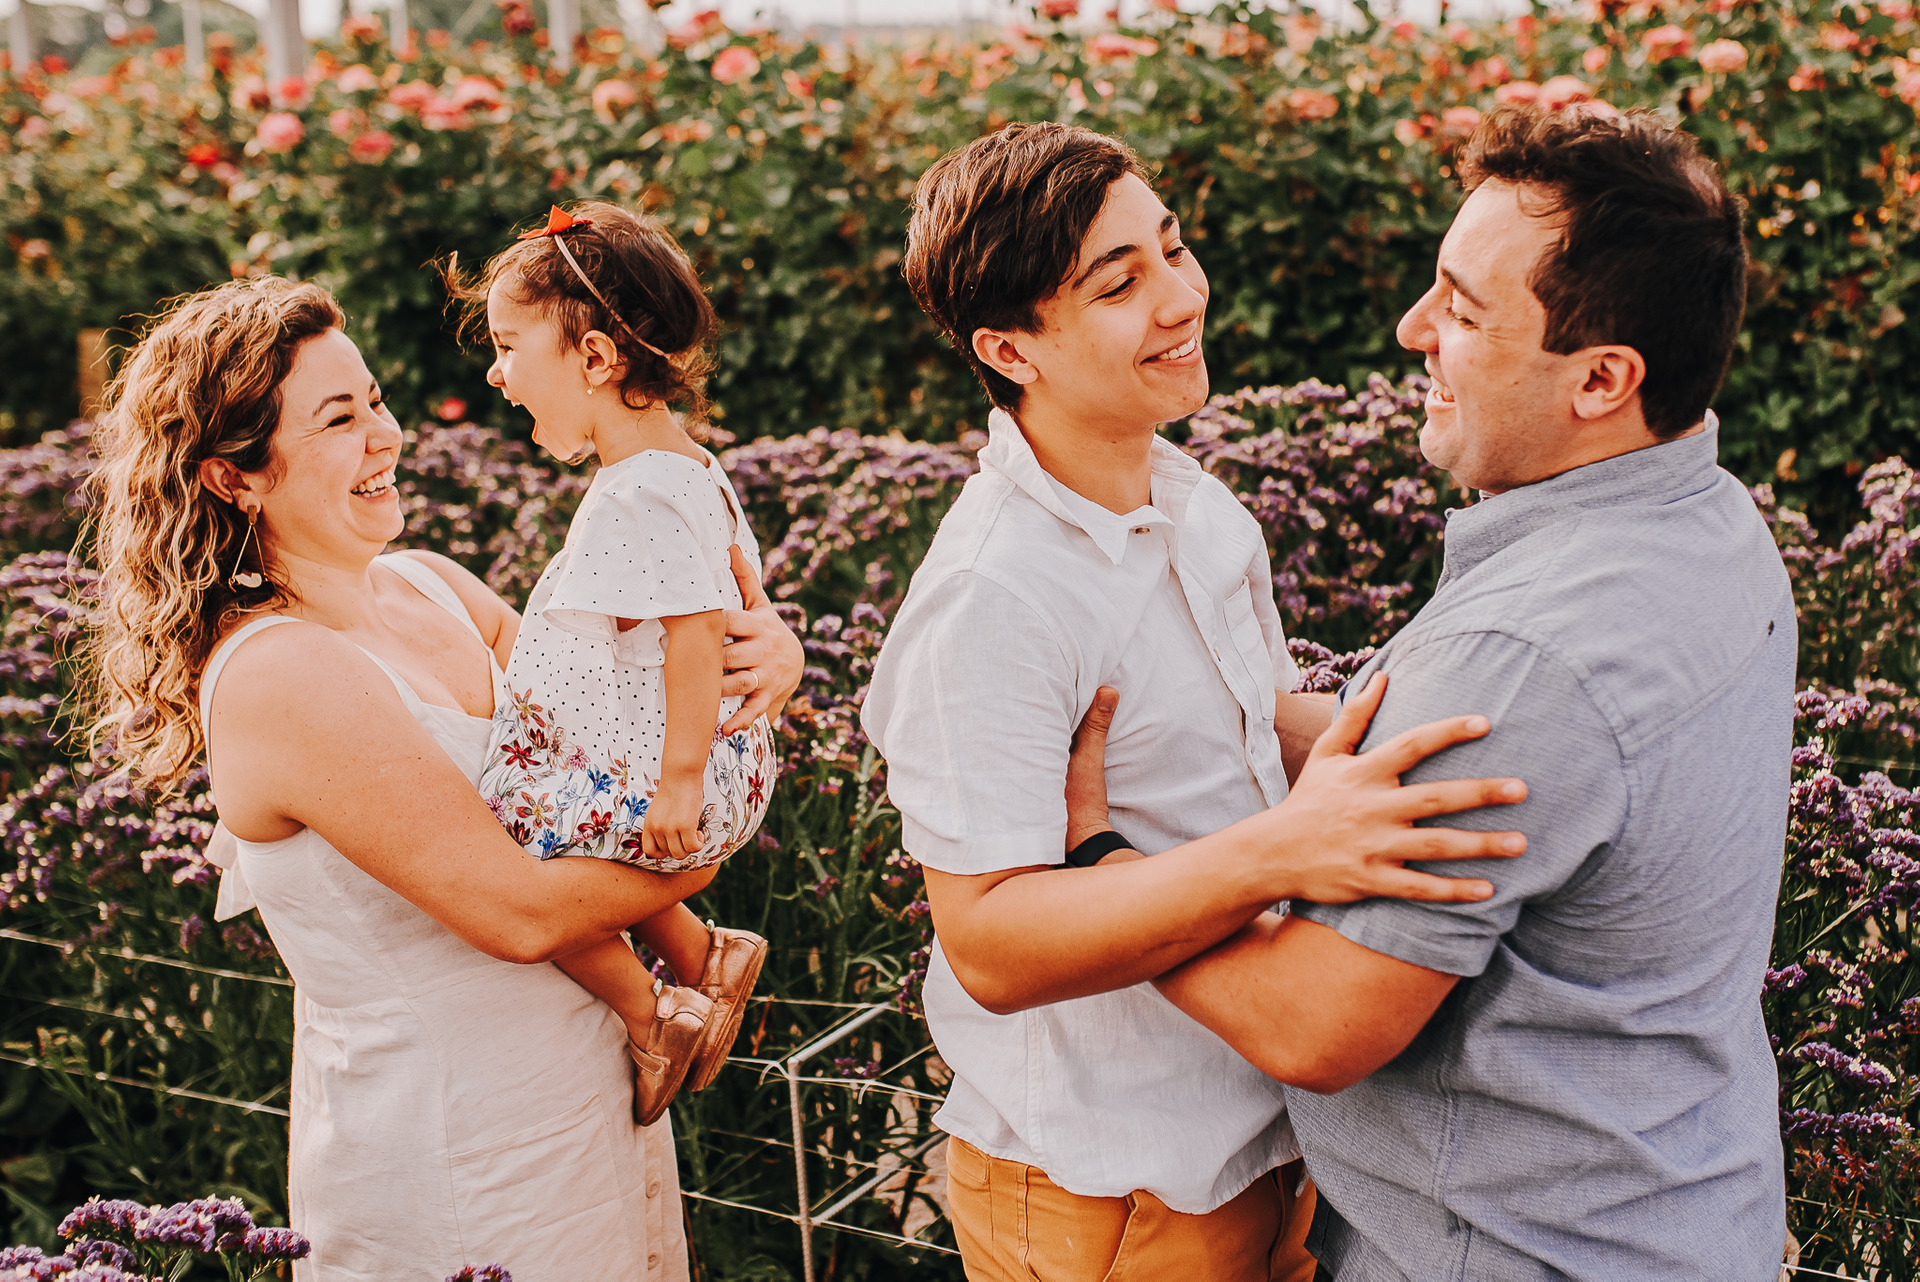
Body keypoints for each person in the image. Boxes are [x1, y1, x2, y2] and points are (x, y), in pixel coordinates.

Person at [1072, 105, 1795, 1279]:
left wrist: (1104, 861)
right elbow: (1482, 758)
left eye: (1461, 310)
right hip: (1684, 1218)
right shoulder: (1712, 524)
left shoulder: (1521, 655)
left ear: (1602, 378)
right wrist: (1191, 705)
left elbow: (1314, 1021)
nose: (1414, 328)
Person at [860, 122, 1530, 1282]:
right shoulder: (991, 596)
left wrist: (1476, 725)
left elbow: (1250, 725)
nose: (1182, 297)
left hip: (1268, 1146)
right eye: (1119, 284)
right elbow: (990, 944)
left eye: (1172, 249)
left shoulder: (1198, 507)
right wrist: (1285, 849)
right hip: (1107, 1192)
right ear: (1010, 349)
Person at [80, 275, 803, 1281]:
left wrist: (762, 657)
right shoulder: (281, 672)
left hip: (599, 1108)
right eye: (340, 419)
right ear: (233, 477)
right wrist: (712, 831)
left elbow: (622, 725)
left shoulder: (435, 586)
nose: (386, 435)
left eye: (375, 400)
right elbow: (525, 914)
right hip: (459, 1163)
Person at [447, 202, 777, 1126]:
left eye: (508, 346)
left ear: (595, 358)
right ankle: (703, 953)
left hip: (686, 777)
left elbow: (697, 633)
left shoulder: (639, 495)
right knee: (554, 808)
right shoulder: (686, 468)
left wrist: (678, 784)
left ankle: (652, 1010)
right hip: (702, 761)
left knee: (505, 846)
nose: (496, 372)